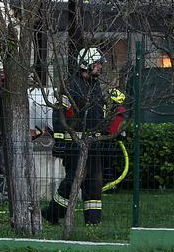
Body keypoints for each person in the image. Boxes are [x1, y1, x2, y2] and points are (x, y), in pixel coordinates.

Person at [43, 47, 121, 226]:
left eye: (101, 63)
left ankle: (93, 222)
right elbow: (59, 114)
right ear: (86, 64)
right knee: (72, 181)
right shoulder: (70, 86)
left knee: (94, 183)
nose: (100, 67)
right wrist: (60, 140)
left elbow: (98, 115)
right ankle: (52, 213)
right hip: (74, 145)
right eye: (98, 63)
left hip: (93, 144)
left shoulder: (95, 86)